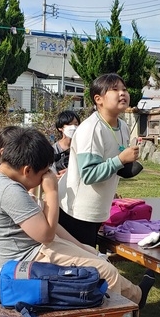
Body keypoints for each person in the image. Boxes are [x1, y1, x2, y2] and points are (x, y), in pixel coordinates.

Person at [0, 127, 155, 317]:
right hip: (27, 263)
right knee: (105, 273)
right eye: (42, 174)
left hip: (32, 249)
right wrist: (51, 191)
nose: (43, 179)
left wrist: (80, 246)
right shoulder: (8, 191)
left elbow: (44, 223)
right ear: (27, 170)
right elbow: (46, 234)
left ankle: (134, 297)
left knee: (97, 257)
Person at [59, 73, 140, 248]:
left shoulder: (123, 127)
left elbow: (113, 163)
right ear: (98, 99)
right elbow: (88, 174)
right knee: (80, 265)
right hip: (77, 211)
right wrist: (120, 159)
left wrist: (126, 162)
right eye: (115, 89)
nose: (122, 93)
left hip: (97, 209)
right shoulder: (91, 129)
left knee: (87, 260)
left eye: (124, 89)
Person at [52, 110, 80, 177]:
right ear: (60, 128)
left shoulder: (82, 146)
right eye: (69, 124)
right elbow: (52, 173)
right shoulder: (53, 150)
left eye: (76, 124)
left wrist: (71, 171)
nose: (73, 127)